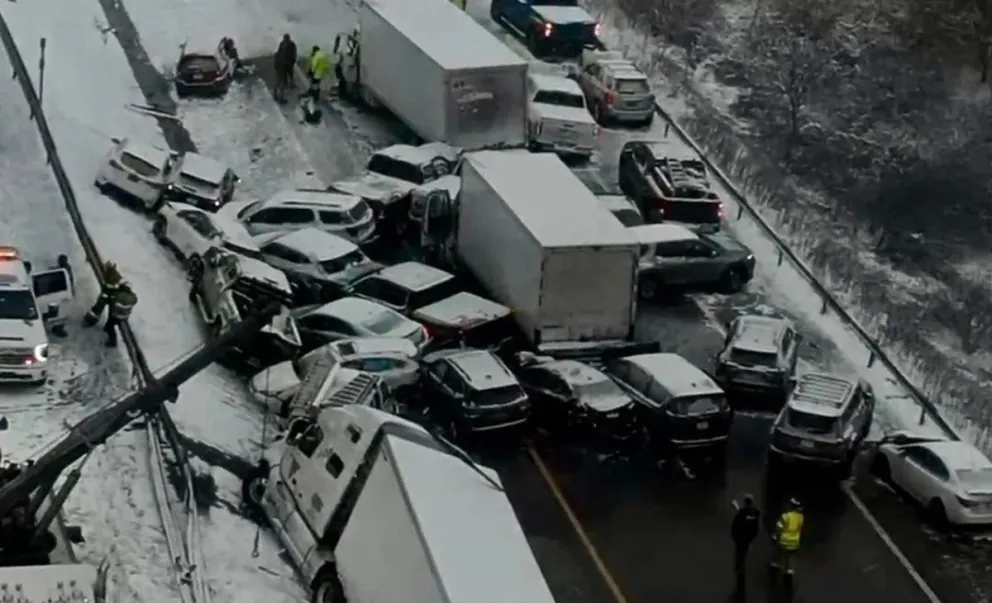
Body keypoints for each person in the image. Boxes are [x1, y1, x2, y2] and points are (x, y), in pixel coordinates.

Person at [82, 261, 123, 327]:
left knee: (97, 310)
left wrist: (105, 296)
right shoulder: (113, 275)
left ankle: (89, 321)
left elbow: (109, 288)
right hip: (110, 297)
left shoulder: (110, 276)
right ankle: (91, 321)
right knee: (99, 310)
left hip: (107, 297)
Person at [771, 497, 804, 577]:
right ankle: (788, 568)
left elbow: (779, 528)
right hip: (795, 542)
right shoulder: (801, 517)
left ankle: (778, 564)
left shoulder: (785, 516)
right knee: (788, 555)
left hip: (785, 541)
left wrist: (775, 535)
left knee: (779, 547)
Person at [732, 494, 761, 580]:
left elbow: (735, 525)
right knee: (744, 553)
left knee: (740, 554)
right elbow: (756, 527)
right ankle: (741, 569)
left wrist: (735, 537)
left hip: (741, 538)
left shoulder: (742, 513)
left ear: (745, 503)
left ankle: (740, 570)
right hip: (749, 537)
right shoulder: (756, 512)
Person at [103, 282, 138, 348]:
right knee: (110, 324)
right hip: (125, 316)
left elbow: (112, 300)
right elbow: (135, 300)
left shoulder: (119, 295)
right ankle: (106, 328)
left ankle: (112, 342)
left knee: (110, 327)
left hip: (115, 315)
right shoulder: (133, 297)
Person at [273, 33, 297, 102]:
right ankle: (281, 98)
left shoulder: (281, 46)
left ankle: (275, 94)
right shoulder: (292, 45)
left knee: (278, 81)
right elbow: (294, 55)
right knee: (284, 82)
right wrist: (293, 62)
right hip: (286, 65)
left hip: (279, 66)